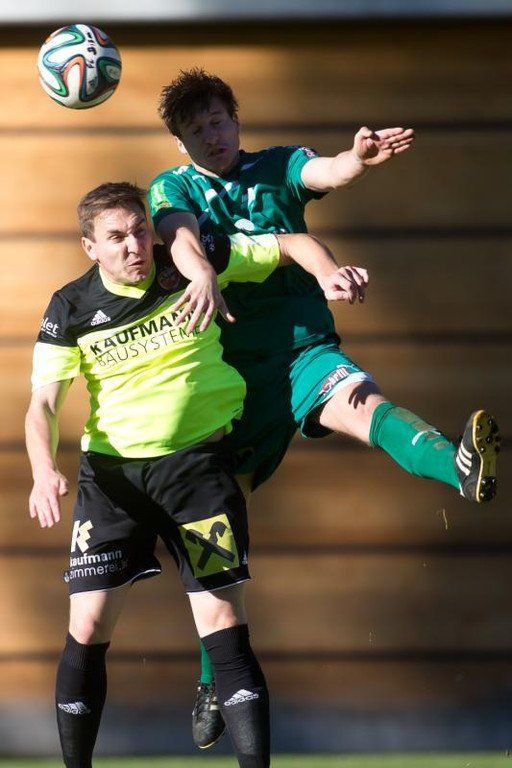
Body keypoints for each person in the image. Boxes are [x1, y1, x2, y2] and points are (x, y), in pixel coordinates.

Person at [148, 68, 501, 749]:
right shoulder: (176, 186)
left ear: (236, 121)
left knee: (362, 402)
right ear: (180, 141)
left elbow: (327, 172)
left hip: (302, 350)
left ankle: (457, 466)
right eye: (196, 131)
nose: (212, 137)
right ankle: (213, 674)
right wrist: (199, 271)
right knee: (219, 532)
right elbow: (181, 235)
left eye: (219, 122)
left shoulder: (277, 166)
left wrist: (357, 161)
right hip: (225, 379)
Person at [25, 181, 366, 768]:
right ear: (90, 247)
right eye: (116, 237)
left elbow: (288, 243)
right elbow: (43, 406)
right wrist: (41, 471)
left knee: (224, 623)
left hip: (197, 472)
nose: (134, 246)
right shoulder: (69, 307)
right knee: (87, 626)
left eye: (139, 231)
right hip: (113, 483)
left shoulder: (190, 264)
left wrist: (329, 272)